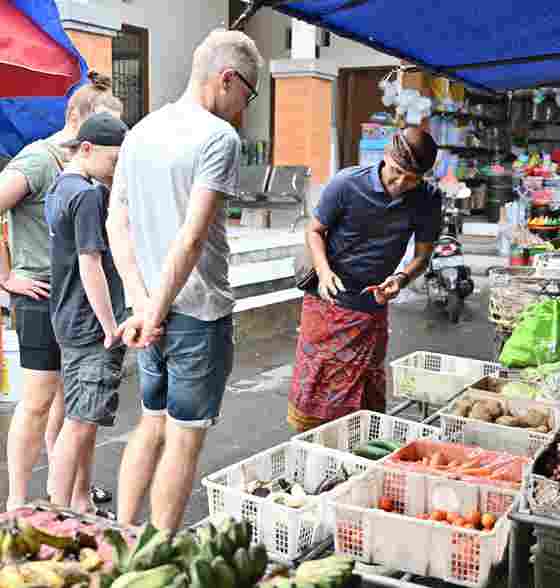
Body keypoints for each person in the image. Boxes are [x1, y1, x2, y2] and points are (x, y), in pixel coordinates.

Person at [106, 29, 263, 531]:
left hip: (152, 311)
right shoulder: (218, 137)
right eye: (248, 93)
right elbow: (192, 239)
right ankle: (161, 553)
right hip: (196, 314)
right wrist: (152, 311)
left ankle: (123, 536)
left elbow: (117, 222)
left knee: (151, 425)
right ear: (227, 79)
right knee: (183, 438)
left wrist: (142, 305)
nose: (244, 105)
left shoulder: (141, 131)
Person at [0, 72, 122, 511]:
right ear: (77, 118)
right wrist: (6, 277)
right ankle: (16, 502)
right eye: (104, 124)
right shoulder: (38, 160)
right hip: (38, 296)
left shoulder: (89, 171)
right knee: (36, 402)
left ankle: (70, 497)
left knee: (68, 408)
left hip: (71, 297)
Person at [288, 128, 442, 432]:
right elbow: (315, 230)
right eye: (397, 173)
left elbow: (422, 257)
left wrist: (401, 279)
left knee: (364, 388)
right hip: (326, 302)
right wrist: (324, 271)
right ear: (386, 157)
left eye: (412, 179)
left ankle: (359, 454)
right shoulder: (347, 183)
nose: (401, 184)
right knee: (317, 385)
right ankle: (310, 448)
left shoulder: (427, 199)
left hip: (371, 307)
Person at [45, 112, 129, 515]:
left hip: (66, 316)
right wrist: (111, 326)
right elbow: (89, 263)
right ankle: (59, 513)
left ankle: (78, 505)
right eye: (114, 161)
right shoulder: (88, 195)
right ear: (88, 149)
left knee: (82, 420)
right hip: (89, 322)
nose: (116, 170)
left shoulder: (61, 186)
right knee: (78, 422)